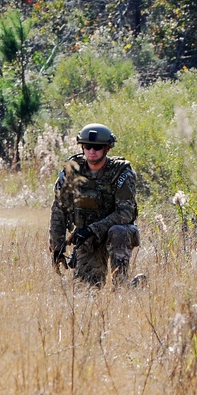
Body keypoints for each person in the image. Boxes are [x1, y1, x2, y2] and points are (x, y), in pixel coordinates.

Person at [49, 123, 140, 287]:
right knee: (87, 289)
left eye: (97, 147)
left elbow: (125, 214)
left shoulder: (121, 173)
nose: (92, 151)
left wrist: (92, 229)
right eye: (88, 146)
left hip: (116, 235)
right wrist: (57, 247)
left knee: (118, 231)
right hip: (87, 239)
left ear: (107, 148)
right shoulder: (72, 171)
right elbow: (59, 211)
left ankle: (124, 285)